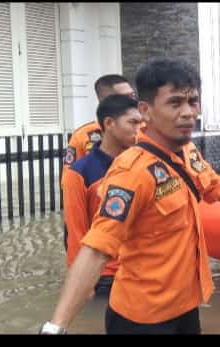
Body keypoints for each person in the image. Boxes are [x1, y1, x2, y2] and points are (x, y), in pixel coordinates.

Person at [41, 57, 220, 335]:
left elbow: (216, 187)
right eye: (175, 103)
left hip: (185, 307)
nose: (188, 112)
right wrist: (56, 327)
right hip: (142, 318)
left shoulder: (187, 151)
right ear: (145, 110)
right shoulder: (132, 171)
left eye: (192, 101)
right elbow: (97, 248)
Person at [61, 95, 142, 297]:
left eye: (141, 123)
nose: (139, 130)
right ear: (109, 123)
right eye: (132, 123)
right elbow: (76, 232)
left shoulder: (141, 164)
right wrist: (81, 282)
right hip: (105, 276)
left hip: (140, 269)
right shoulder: (80, 172)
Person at [64, 74, 137, 169]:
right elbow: (71, 176)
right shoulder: (82, 136)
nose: (133, 101)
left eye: (133, 95)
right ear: (104, 101)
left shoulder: (145, 129)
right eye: (124, 97)